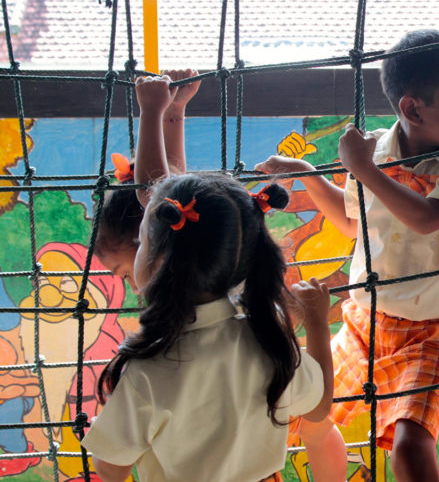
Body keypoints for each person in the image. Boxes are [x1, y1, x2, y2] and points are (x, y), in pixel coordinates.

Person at [256, 29, 439, 482]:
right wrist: (307, 172)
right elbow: (351, 223)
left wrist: (362, 169)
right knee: (287, 413)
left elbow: (427, 217)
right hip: (367, 319)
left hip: (435, 332)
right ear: (412, 108)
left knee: (410, 449)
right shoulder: (377, 149)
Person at [81, 172, 334, 482]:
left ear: (160, 262)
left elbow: (111, 468)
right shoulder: (269, 341)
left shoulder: (147, 369)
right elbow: (318, 409)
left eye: (143, 241)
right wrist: (318, 324)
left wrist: (109, 433)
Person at [94, 69, 201, 293]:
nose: (133, 289)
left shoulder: (174, 254)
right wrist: (174, 109)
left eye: (124, 274)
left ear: (142, 235)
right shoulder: (185, 241)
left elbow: (155, 190)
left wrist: (151, 111)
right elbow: (173, 178)